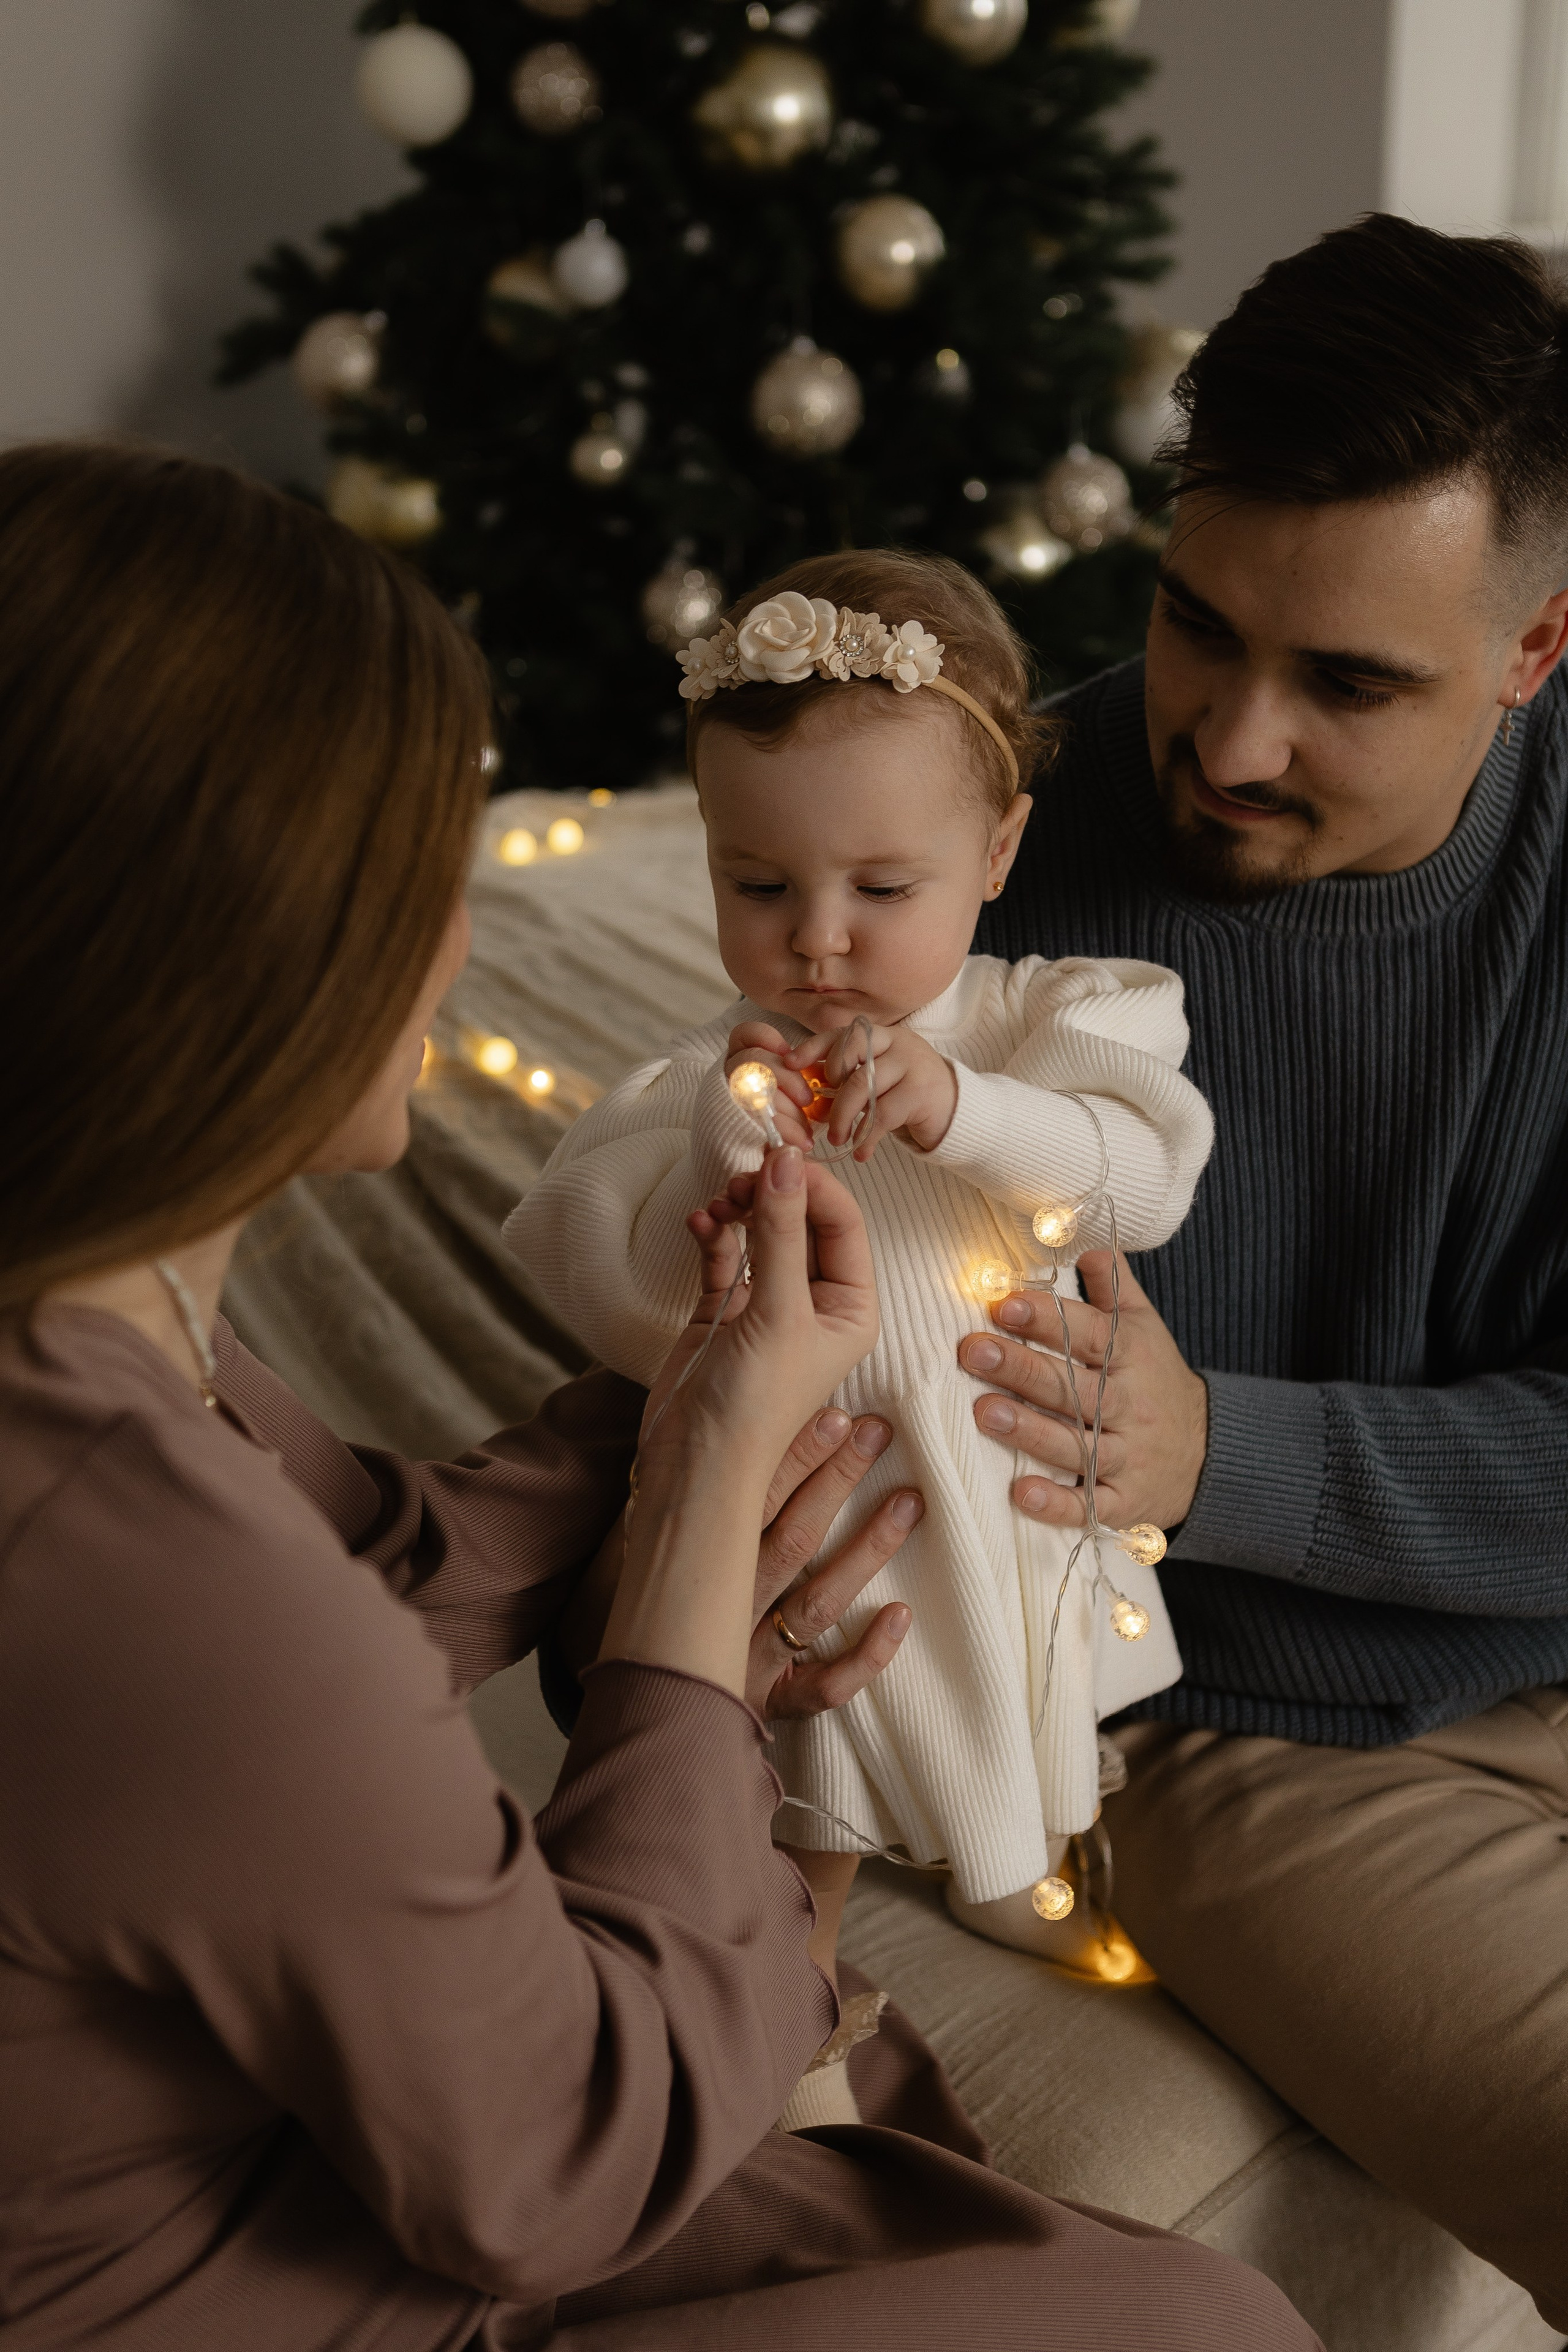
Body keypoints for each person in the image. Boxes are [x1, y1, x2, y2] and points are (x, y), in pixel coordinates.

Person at [0, 442, 1318, 2352]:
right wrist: (704, 1519)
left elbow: (380, 1568)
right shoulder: (127, 1553)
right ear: (235, 958)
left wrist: (713, 1404)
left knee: (1176, 2304)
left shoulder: (103, 1342)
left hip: (359, 2150)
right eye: (415, 873)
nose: (456, 939)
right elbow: (565, 2161)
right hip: (358, 2246)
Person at [965, 211, 1568, 2331]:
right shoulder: (992, 853)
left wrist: (1226, 1442)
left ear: (1540, 644)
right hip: (1251, 1742)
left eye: (1349, 686)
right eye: (1198, 627)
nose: (1227, 741)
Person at [505, 550, 1215, 2099]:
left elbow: (1141, 1173)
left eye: (880, 891)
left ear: (997, 849)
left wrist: (965, 1107)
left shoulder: (1050, 1019)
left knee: (1026, 1747)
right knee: (802, 1803)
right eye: (756, 886)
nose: (816, 940)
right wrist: (725, 1142)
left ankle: (1019, 1871)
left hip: (1001, 1500)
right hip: (823, 1508)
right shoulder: (713, 1076)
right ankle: (792, 2041)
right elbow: (578, 1257)